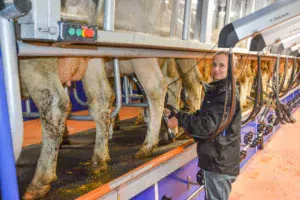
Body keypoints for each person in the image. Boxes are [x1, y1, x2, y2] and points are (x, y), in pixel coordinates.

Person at [165, 51, 241, 200]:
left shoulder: (225, 95)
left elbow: (207, 127)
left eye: (222, 65)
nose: (216, 69)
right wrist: (181, 115)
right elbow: (206, 116)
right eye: (214, 64)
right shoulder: (221, 90)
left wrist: (181, 119)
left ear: (232, 69)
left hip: (218, 163)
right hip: (219, 159)